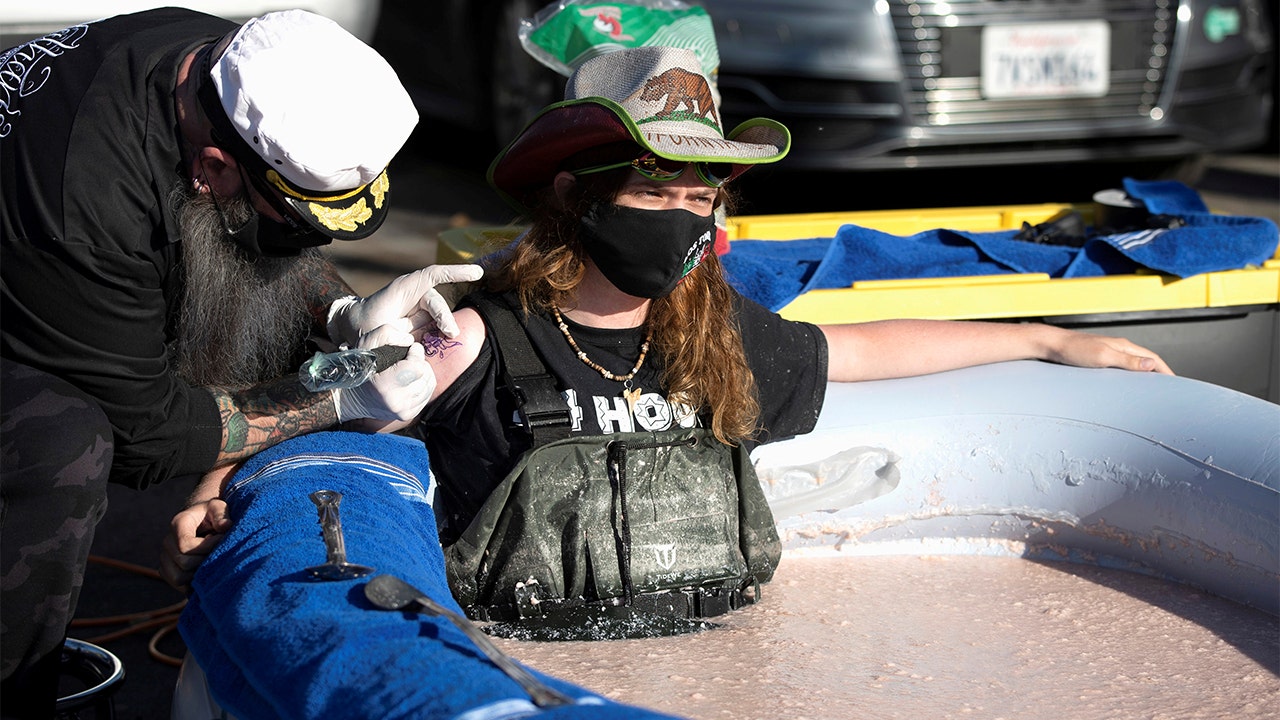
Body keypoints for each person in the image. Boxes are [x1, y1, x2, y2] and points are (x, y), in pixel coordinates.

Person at [0, 9, 478, 716]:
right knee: (60, 444)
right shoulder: (82, 200)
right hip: (31, 274)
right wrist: (341, 397)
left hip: (84, 251)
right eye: (295, 226)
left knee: (237, 255)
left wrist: (342, 313)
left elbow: (265, 241)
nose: (297, 244)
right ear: (212, 165)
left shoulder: (229, 63)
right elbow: (148, 434)